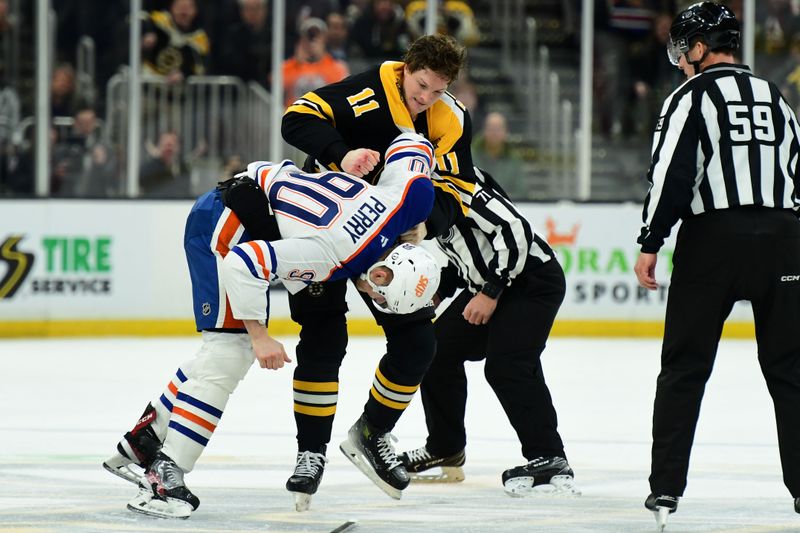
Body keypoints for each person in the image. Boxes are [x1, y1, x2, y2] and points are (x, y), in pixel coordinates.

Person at [102, 132, 442, 519]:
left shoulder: (406, 202)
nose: (372, 297)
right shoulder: (331, 257)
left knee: (227, 351)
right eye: (381, 294)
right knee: (230, 351)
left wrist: (354, 157)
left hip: (249, 202)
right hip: (225, 223)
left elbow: (413, 143)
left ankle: (144, 440)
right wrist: (260, 336)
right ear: (383, 272)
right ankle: (165, 476)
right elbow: (243, 264)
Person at [281, 33, 475, 507]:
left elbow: (460, 186)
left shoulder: (450, 119)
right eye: (422, 85)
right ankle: (310, 454)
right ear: (408, 67)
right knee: (324, 339)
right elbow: (296, 118)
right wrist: (340, 155)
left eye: (437, 89)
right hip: (323, 223)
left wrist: (429, 223)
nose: (427, 98)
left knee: (418, 343)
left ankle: (373, 431)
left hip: (383, 239)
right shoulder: (364, 92)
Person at [632, 3, 800, 530]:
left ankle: (665, 491)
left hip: (714, 242)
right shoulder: (776, 95)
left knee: (684, 367)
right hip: (784, 241)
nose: (681, 60)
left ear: (700, 49)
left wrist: (651, 239)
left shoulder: (690, 96)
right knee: (792, 372)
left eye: (684, 49)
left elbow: (672, 173)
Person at [397, 167, 579, 497]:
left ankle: (549, 456)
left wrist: (491, 292)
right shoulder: (423, 189)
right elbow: (464, 254)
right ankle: (445, 447)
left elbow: (515, 230)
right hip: (490, 283)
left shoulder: (460, 179)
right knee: (435, 352)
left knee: (508, 365)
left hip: (530, 281)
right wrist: (438, 291)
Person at [282, 17, 349, 108]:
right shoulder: (289, 66)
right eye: (309, 36)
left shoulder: (337, 66)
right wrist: (297, 62)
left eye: (317, 36)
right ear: (302, 39)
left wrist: (321, 59)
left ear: (324, 39)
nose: (312, 41)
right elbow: (276, 85)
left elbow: (341, 89)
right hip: (295, 116)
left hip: (323, 117)